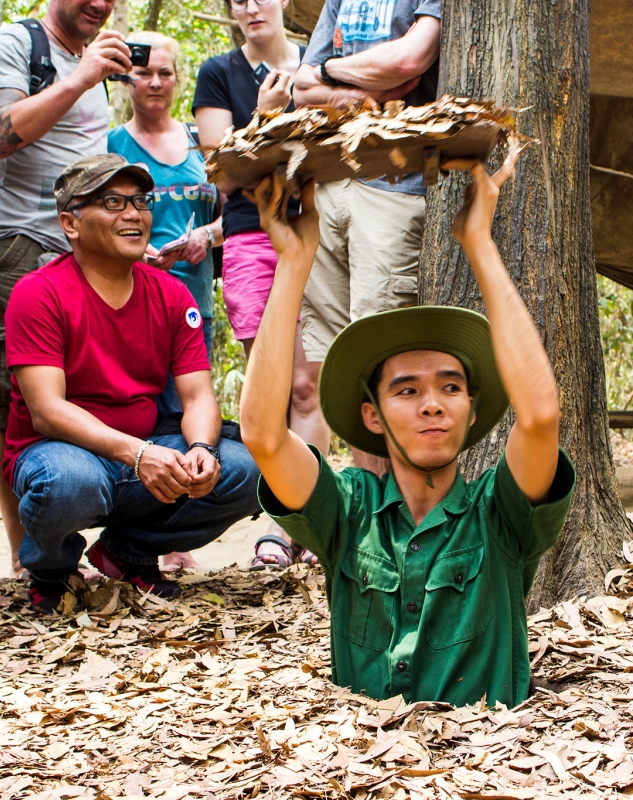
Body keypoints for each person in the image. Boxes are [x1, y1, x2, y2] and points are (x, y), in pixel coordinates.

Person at [242, 146, 575, 707]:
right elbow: (263, 437)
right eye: (407, 390)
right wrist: (295, 261)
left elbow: (541, 415)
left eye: (450, 387)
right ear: (371, 416)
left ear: (471, 408)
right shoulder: (348, 511)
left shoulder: (498, 516)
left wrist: (479, 243)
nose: (432, 405)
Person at [4, 154, 261, 613]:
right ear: (70, 223)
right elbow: (46, 410)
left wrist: (203, 448)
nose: (133, 214)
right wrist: (137, 453)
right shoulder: (37, 293)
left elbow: (198, 393)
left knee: (244, 468)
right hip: (62, 452)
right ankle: (49, 569)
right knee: (67, 482)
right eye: (113, 202)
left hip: (145, 450)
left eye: (140, 201)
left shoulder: (169, 292)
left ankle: (127, 551)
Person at [0, 0, 128, 576]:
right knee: (10, 396)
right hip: (17, 242)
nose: (100, 5)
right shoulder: (17, 43)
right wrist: (82, 76)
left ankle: (69, 539)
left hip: (83, 249)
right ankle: (25, 554)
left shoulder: (96, 58)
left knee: (75, 389)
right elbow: (0, 134)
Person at [193, 0, 325, 569]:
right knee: (273, 387)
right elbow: (220, 166)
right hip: (251, 239)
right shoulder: (218, 74)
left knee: (311, 386)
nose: (250, 7)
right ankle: (280, 516)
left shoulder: (319, 64)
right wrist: (265, 113)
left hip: (320, 227)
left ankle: (308, 521)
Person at [293, 0, 442, 477]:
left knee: (389, 358)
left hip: (395, 185)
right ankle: (377, 513)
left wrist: (332, 70)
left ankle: (408, 514)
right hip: (328, 182)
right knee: (345, 364)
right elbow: (300, 87)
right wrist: (351, 89)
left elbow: (408, 62)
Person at [109, 32, 222, 572]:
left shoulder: (206, 138)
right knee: (143, 409)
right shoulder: (112, 144)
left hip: (195, 295)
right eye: (143, 72)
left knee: (187, 410)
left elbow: (236, 210)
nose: (155, 82)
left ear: (179, 78)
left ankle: (168, 539)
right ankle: (129, 539)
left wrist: (208, 236)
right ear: (127, 79)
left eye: (166, 73)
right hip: (134, 301)